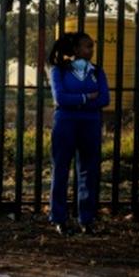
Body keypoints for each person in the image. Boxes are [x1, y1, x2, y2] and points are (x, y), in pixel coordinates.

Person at [47, 33, 109, 235]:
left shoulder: (97, 72)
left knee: (89, 171)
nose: (90, 50)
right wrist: (86, 97)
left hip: (90, 124)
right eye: (86, 46)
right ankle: (59, 218)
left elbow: (104, 99)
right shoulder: (59, 70)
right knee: (61, 170)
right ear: (75, 50)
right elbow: (60, 98)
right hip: (65, 123)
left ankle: (86, 219)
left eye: (92, 46)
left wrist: (77, 100)